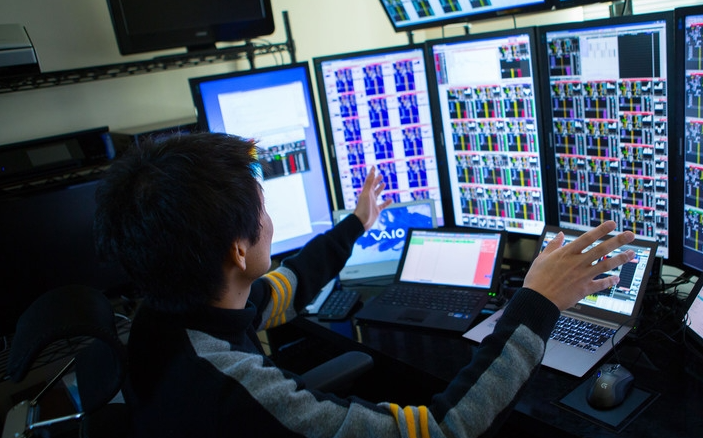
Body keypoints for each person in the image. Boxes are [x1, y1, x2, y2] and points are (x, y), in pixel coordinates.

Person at [94, 132, 635, 438]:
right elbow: (446, 429)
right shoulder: (239, 394)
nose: (268, 218)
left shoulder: (166, 317)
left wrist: (356, 224)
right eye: (261, 209)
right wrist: (537, 303)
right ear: (238, 251)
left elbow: (280, 291)